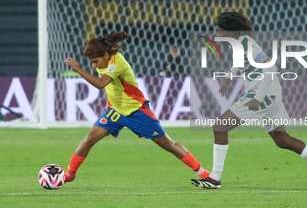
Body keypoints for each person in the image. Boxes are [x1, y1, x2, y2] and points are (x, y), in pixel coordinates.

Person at [190, 11, 307, 189]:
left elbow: (271, 68)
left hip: (262, 94)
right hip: (270, 93)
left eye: (220, 31)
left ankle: (214, 178)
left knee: (220, 126)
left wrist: (258, 99)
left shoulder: (249, 46)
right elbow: (238, 62)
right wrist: (229, 78)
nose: (218, 35)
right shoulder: (237, 45)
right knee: (281, 139)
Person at [64, 31, 209, 183]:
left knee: (168, 145)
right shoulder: (104, 61)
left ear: (106, 55)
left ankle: (203, 174)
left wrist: (79, 69)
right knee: (89, 140)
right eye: (91, 63)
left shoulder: (116, 63)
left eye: (95, 61)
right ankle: (69, 175)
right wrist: (94, 67)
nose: (94, 66)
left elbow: (101, 84)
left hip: (136, 111)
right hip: (114, 111)